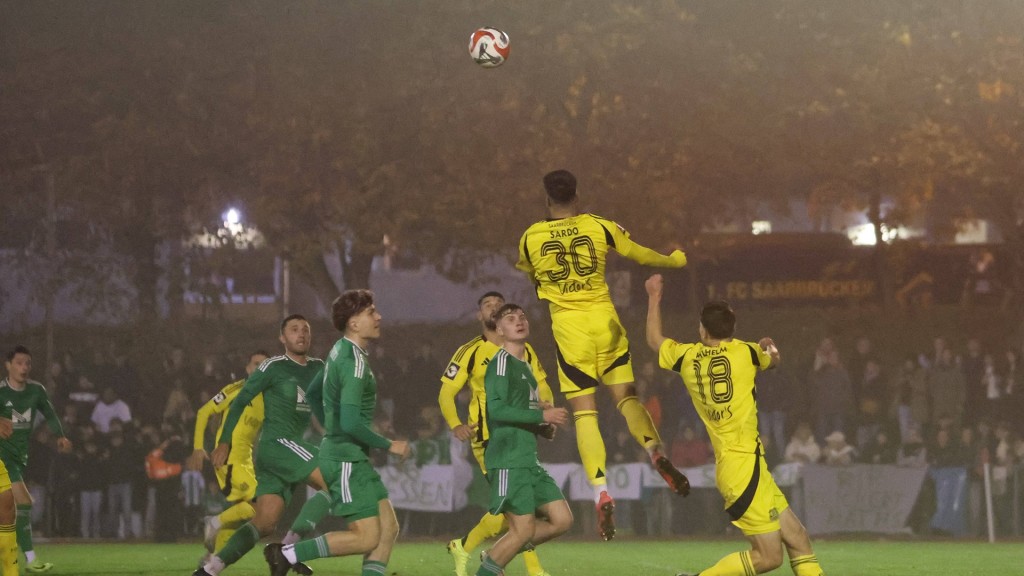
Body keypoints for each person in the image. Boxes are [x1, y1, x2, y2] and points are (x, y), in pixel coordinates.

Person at [516, 169, 691, 540]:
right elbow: (638, 252)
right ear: (577, 196)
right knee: (628, 400)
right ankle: (655, 451)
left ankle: (601, 492)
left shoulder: (530, 236)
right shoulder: (600, 225)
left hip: (571, 333)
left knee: (585, 416)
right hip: (605, 324)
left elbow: (531, 275)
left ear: (547, 200)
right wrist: (674, 260)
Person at [644, 275, 825, 576]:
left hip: (743, 467)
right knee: (768, 558)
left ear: (703, 330)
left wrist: (653, 297)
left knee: (798, 538)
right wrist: (771, 348)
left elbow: (654, 340)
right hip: (744, 470)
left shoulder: (688, 357)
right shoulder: (746, 352)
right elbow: (774, 360)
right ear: (732, 328)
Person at [264, 290, 411, 576]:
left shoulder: (339, 349)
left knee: (388, 528)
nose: (378, 316)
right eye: (371, 312)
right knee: (367, 537)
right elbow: (352, 423)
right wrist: (389, 444)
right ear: (354, 323)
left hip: (350, 456)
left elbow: (314, 393)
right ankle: (288, 553)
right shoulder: (353, 363)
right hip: (345, 461)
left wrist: (331, 428)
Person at [193, 316, 329, 576]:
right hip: (277, 444)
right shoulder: (272, 367)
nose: (301, 334)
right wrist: (223, 442)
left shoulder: (318, 368)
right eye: (294, 329)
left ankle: (210, 569)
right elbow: (242, 400)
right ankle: (289, 551)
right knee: (333, 478)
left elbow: (322, 407)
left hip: (288, 448)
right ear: (282, 338)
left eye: (305, 330)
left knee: (265, 521)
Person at [439, 291, 555, 576]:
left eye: (498, 304)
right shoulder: (469, 351)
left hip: (521, 435)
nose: (494, 308)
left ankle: (465, 546)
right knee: (515, 510)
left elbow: (541, 384)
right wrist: (456, 423)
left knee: (516, 510)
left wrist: (546, 411)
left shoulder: (523, 349)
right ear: (480, 315)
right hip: (489, 439)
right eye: (487, 305)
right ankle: (531, 568)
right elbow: (446, 393)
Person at [475, 303, 573, 576]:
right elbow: (497, 410)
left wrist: (542, 425)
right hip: (508, 459)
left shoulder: (525, 366)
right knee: (523, 529)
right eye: (510, 319)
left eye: (522, 316)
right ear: (500, 330)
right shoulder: (501, 363)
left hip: (528, 460)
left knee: (562, 520)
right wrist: (542, 415)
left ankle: (495, 555)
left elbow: (520, 411)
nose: (519, 321)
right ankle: (490, 566)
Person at [187, 350, 268, 559]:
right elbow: (203, 411)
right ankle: (213, 522)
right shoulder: (235, 389)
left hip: (246, 461)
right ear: (248, 368)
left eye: (265, 365)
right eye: (256, 364)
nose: (260, 368)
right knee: (258, 508)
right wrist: (198, 446)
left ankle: (212, 559)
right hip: (228, 458)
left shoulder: (269, 396)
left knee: (242, 512)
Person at [0, 346, 73, 573]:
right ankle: (30, 560)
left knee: (9, 510)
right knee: (23, 502)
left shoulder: (36, 390)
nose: (24, 367)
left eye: (28, 363)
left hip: (18, 457)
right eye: (19, 362)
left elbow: (50, 414)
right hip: (3, 457)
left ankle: (18, 561)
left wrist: (60, 435)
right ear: (8, 365)